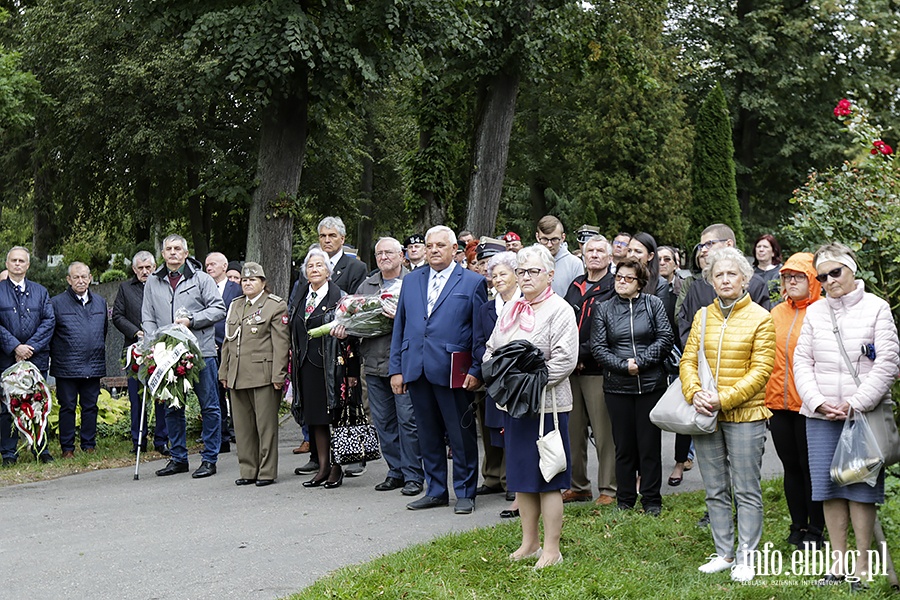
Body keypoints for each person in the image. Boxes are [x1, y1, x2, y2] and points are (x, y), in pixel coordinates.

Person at [794, 243, 899, 587]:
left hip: (862, 415)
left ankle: (863, 567)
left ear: (852, 269)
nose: (829, 281)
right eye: (822, 276)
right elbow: (801, 362)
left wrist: (856, 402)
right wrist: (818, 401)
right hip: (821, 415)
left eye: (835, 272)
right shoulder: (815, 312)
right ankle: (837, 566)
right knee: (828, 488)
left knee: (860, 488)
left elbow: (888, 363)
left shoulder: (877, 309)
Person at [680, 247, 775, 583]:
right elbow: (688, 361)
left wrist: (723, 399)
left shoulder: (762, 318)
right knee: (715, 487)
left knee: (746, 488)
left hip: (746, 414)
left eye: (731, 274)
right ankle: (724, 552)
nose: (724, 279)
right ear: (710, 280)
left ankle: (747, 556)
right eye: (718, 275)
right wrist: (695, 394)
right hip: (706, 412)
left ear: (745, 279)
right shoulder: (702, 316)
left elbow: (762, 370)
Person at [483, 244, 578, 568]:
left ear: (549, 275)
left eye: (533, 271)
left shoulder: (560, 310)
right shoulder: (512, 309)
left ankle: (552, 550)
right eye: (521, 271)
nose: (525, 277)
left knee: (547, 479)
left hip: (548, 408)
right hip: (514, 407)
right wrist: (500, 377)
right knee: (523, 477)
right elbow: (492, 349)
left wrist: (526, 383)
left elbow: (565, 360)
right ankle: (529, 543)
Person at [389, 225, 488, 514]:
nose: (433, 250)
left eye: (440, 246)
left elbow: (478, 333)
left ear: (454, 250)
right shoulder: (411, 281)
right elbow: (401, 326)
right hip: (416, 367)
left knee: (460, 435)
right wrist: (397, 368)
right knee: (427, 434)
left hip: (452, 370)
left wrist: (475, 368)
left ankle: (466, 492)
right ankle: (435, 490)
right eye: (429, 245)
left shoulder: (471, 282)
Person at [333, 237, 424, 497]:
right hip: (372, 363)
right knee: (383, 421)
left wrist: (402, 316)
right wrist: (344, 330)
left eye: (389, 253)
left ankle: (414, 474)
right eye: (379, 253)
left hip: (404, 364)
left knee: (408, 421)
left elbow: (428, 319)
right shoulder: (368, 284)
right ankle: (395, 470)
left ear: (401, 256)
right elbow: (354, 318)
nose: (383, 257)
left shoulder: (415, 281)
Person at [590, 258, 673, 515]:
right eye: (619, 277)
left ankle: (651, 501)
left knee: (649, 446)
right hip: (617, 387)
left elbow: (665, 337)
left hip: (651, 385)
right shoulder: (603, 308)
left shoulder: (653, 304)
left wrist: (641, 363)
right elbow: (598, 348)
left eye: (628, 278)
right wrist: (624, 366)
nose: (622, 282)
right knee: (623, 447)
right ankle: (625, 500)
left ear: (640, 283)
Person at [142, 234, 226, 479]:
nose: (173, 253)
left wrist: (193, 320)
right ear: (163, 254)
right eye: (168, 249)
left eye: (177, 248)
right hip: (167, 354)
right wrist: (152, 346)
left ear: (186, 253)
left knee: (209, 405)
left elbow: (218, 309)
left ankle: (209, 458)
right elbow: (147, 315)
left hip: (200, 352)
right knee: (172, 406)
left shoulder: (201, 278)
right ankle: (178, 457)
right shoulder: (153, 282)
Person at [764, 252, 825, 549]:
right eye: (787, 277)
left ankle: (816, 528)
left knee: (810, 466)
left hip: (810, 405)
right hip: (778, 403)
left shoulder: (825, 312)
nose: (791, 281)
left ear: (813, 279)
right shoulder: (776, 313)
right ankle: (797, 524)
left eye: (798, 276)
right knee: (790, 466)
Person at [289, 248, 357, 489]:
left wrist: (352, 373)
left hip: (333, 367)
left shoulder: (340, 297)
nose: (314, 269)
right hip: (306, 366)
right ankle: (323, 466)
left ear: (329, 271)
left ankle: (337, 467)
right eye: (310, 266)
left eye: (319, 265)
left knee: (336, 416)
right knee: (316, 419)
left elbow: (352, 337)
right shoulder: (300, 296)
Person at [218, 262, 290, 487]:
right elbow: (228, 342)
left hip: (263, 374)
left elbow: (281, 344)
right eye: (244, 280)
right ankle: (248, 469)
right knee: (242, 426)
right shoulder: (236, 305)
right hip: (238, 374)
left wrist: (279, 375)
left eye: (253, 280)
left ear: (263, 283)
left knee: (265, 426)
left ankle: (267, 472)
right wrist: (224, 371)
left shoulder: (274, 306)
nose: (247, 283)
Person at [562, 235, 617, 506]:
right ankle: (578, 485)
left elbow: (609, 331)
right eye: (589, 251)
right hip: (572, 371)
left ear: (609, 257)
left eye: (600, 251)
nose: (594, 255)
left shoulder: (613, 287)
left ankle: (609, 488)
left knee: (603, 432)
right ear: (583, 256)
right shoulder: (575, 286)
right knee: (573, 431)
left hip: (597, 370)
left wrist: (583, 354)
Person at [472, 251, 520, 510]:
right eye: (494, 274)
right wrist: (490, 361)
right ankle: (492, 477)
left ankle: (512, 480)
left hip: (518, 376)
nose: (498, 279)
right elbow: (478, 343)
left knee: (513, 428)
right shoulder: (486, 308)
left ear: (516, 275)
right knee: (494, 427)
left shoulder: (525, 303)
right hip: (493, 375)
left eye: (504, 274)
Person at [0, 246, 55, 466]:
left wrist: (29, 347)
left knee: (38, 404)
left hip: (35, 358)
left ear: (28, 265)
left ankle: (41, 450)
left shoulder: (40, 292)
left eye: (22, 261)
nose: (17, 264)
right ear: (7, 264)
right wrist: (15, 346)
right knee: (7, 406)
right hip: (6, 359)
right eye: (13, 260)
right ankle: (8, 453)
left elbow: (49, 321)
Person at [677, 223, 771, 348]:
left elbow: (763, 331)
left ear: (729, 244)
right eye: (701, 246)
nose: (703, 250)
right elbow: (687, 329)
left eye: (709, 244)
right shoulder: (697, 287)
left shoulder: (755, 284)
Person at [112, 250, 168, 455]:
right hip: (135, 349)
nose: (145, 272)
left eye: (148, 268)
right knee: (137, 397)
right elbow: (117, 316)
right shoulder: (125, 288)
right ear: (134, 269)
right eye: (140, 268)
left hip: (160, 349)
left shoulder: (163, 285)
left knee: (162, 395)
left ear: (154, 267)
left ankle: (162, 439)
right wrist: (136, 332)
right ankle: (139, 440)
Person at [50, 262, 108, 458]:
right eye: (76, 277)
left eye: (84, 277)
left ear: (90, 278)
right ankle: (67, 448)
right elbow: (51, 333)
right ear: (69, 280)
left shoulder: (100, 302)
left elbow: (103, 331)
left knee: (90, 406)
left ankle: (89, 444)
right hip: (66, 365)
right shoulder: (56, 303)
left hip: (93, 363)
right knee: (67, 407)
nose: (81, 281)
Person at [206, 251, 242, 453]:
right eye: (207, 265)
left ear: (224, 266)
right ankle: (221, 438)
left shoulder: (236, 290)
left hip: (230, 348)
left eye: (212, 264)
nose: (209, 268)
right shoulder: (202, 289)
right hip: (209, 349)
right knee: (215, 395)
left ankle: (240, 432)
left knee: (234, 392)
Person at [535, 215, 584, 296]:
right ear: (537, 237)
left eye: (554, 240)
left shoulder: (574, 264)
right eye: (545, 239)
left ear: (563, 237)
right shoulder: (528, 261)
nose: (549, 244)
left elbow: (577, 297)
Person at [626, 232, 671, 309]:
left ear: (650, 256)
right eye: (629, 251)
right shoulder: (620, 279)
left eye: (638, 251)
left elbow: (661, 318)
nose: (632, 255)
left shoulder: (660, 284)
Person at [753, 233, 783, 304]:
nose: (761, 249)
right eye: (758, 246)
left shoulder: (781, 272)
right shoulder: (749, 273)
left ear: (773, 252)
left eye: (765, 247)